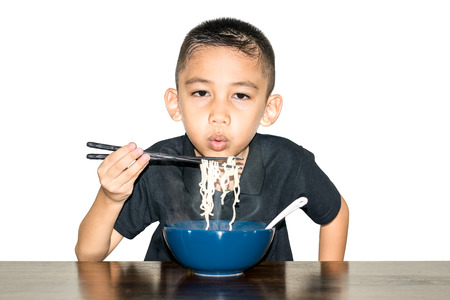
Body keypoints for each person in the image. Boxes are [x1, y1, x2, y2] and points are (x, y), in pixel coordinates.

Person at [75, 18, 349, 262]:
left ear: (268, 109)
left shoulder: (286, 162)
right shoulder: (158, 164)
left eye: (240, 95)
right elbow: (89, 255)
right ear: (176, 104)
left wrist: (328, 282)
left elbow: (335, 213)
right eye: (201, 93)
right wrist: (110, 197)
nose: (219, 115)